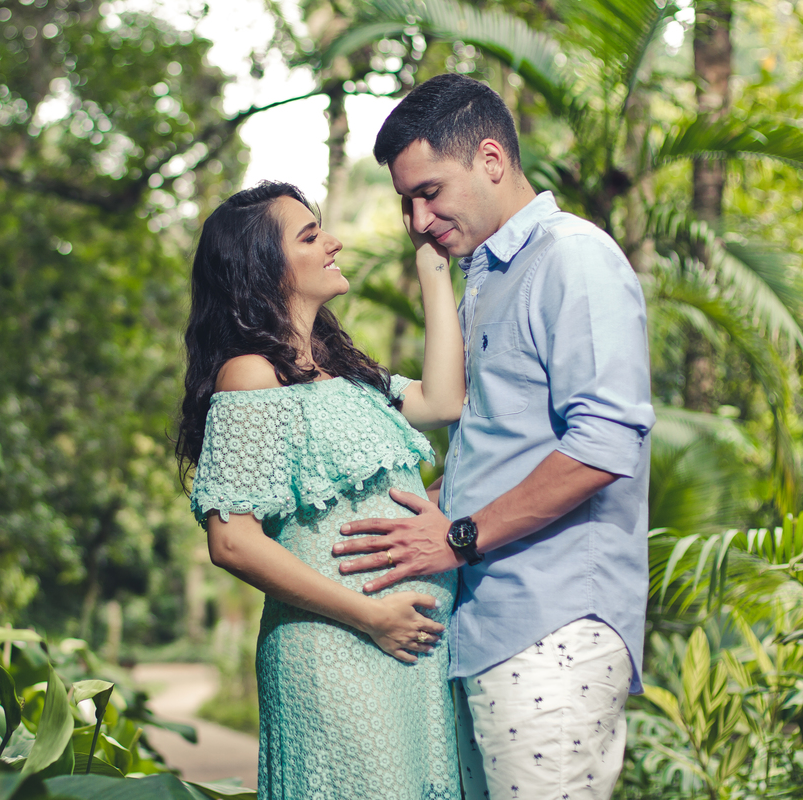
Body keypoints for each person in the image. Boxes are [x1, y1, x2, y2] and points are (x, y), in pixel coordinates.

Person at [333, 73, 656, 799]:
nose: (417, 220)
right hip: (485, 628)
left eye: (429, 192)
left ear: (490, 159)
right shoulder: (488, 275)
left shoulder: (574, 258)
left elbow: (604, 443)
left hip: (556, 628)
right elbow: (510, 445)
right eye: (405, 201)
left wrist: (454, 537)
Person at [176, 180, 466, 799]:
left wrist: (431, 267)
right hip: (338, 650)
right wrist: (371, 617)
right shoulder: (251, 374)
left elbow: (443, 400)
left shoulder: (344, 367)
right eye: (310, 236)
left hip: (405, 652)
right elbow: (232, 542)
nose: (333, 242)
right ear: (262, 269)